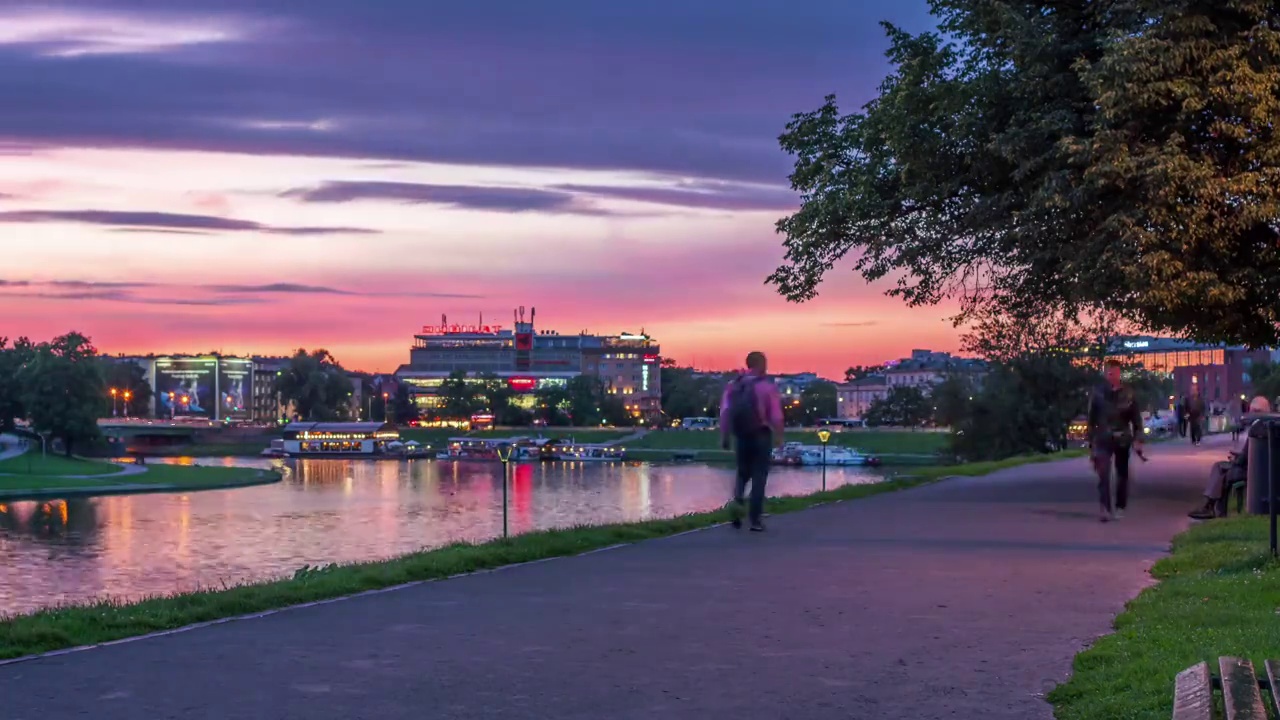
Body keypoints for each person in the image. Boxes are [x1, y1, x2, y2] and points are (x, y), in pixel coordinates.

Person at [720, 351, 784, 532]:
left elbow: (725, 412)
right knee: (759, 477)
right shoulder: (766, 386)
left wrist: (725, 436)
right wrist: (779, 436)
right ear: (761, 363)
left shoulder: (733, 386)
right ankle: (755, 520)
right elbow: (776, 416)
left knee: (741, 474)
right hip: (761, 435)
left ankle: (736, 511)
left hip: (741, 435)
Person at [1087, 360, 1144, 522]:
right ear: (1105, 374)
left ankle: (1120, 505)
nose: (1113, 376)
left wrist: (1138, 439)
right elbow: (1091, 421)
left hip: (1122, 438)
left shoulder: (1129, 394)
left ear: (1120, 373)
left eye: (1116, 372)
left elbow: (1137, 420)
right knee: (1103, 474)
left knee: (1122, 474)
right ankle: (1104, 507)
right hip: (1103, 438)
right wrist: (1091, 445)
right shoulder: (1097, 393)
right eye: (1110, 373)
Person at [1188, 449, 1247, 519]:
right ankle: (1212, 507)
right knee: (1220, 471)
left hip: (1247, 470)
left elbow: (1242, 459)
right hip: (1250, 468)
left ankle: (1210, 506)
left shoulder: (1251, 439)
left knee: (1221, 472)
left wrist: (1235, 458)